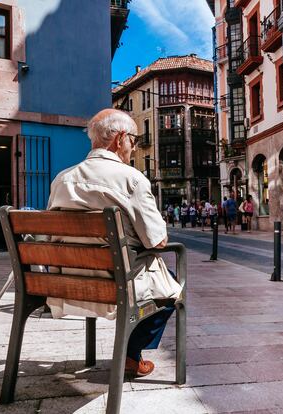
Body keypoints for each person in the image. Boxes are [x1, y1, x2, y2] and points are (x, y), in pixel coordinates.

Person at [45, 109, 182, 377]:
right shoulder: (131, 179)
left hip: (69, 282)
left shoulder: (62, 179)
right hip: (118, 283)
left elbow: (51, 237)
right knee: (171, 288)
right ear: (120, 139)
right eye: (133, 140)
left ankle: (128, 355)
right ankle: (132, 355)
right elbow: (158, 240)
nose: (133, 146)